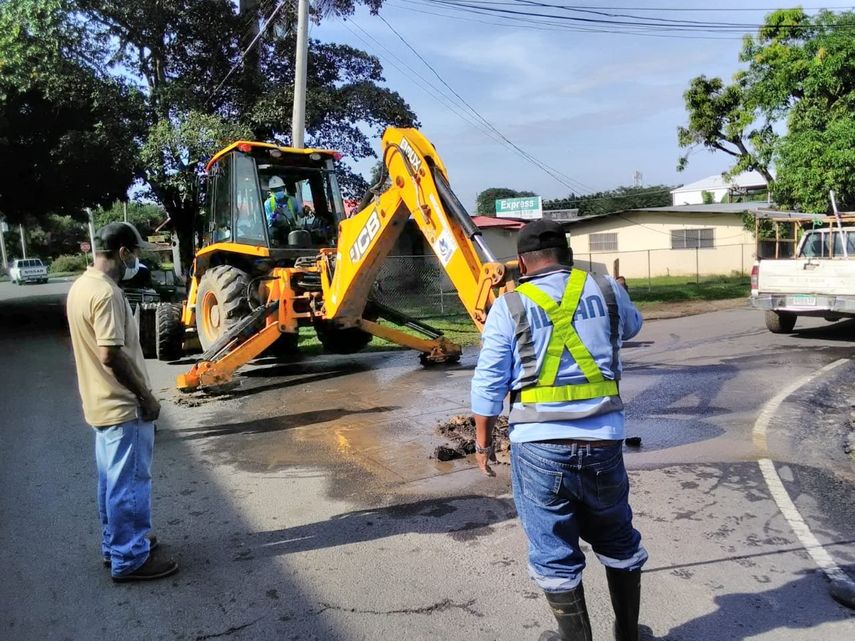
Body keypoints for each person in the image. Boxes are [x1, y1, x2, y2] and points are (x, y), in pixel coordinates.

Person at [471, 219, 646, 641]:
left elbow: (489, 382)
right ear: (567, 255)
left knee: (554, 552)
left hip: (539, 447)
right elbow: (634, 327)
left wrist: (482, 443)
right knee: (618, 540)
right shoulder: (606, 288)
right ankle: (628, 636)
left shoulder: (509, 306)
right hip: (603, 440)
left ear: (521, 264)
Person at [66, 222, 179, 583]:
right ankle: (129, 558)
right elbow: (110, 354)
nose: (137, 261)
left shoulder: (81, 287)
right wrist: (146, 397)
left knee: (111, 483)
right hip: (122, 407)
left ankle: (116, 545)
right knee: (129, 482)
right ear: (124, 253)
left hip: (100, 404)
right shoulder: (107, 294)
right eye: (136, 253)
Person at [264, 176, 300, 240]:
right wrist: (274, 214)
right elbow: (267, 221)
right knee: (270, 233)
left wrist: (305, 210)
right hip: (275, 231)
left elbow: (301, 214)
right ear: (271, 191)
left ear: (283, 189)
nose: (277, 192)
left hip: (290, 229)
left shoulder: (292, 200)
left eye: (279, 189)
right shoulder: (268, 203)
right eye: (275, 190)